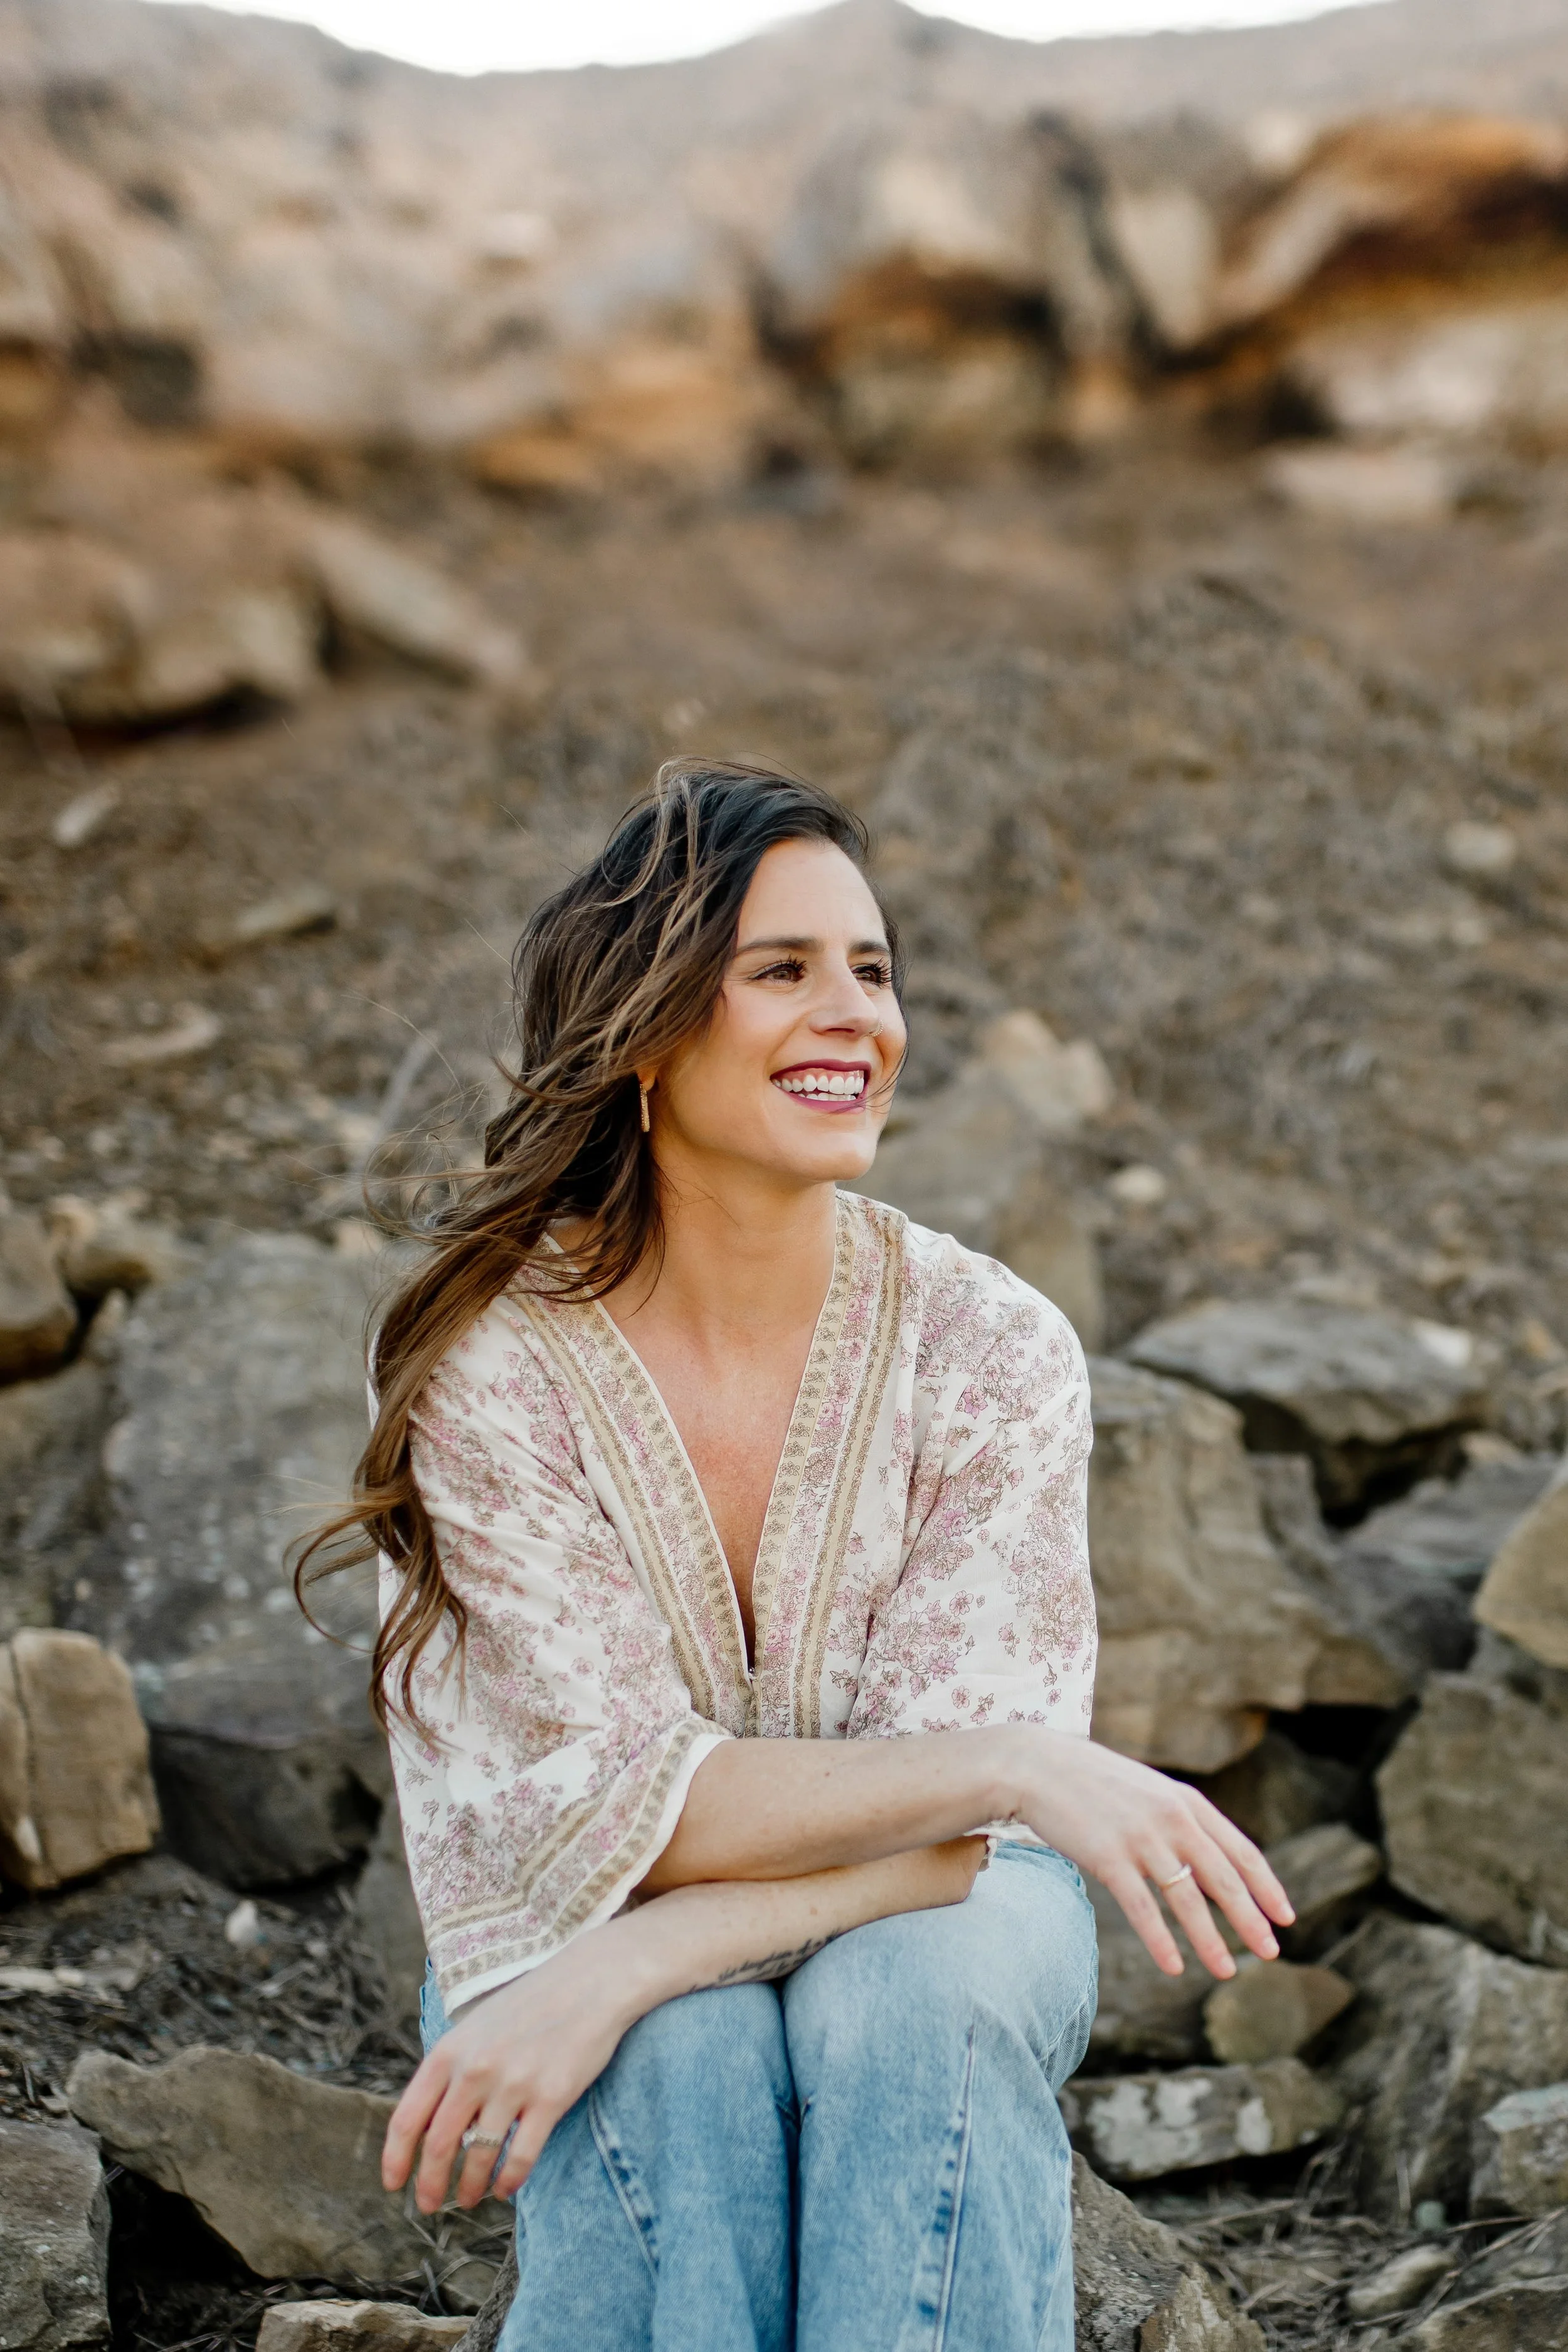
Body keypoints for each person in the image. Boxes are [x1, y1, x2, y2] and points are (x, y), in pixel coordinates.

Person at [299, 761, 1291, 2352]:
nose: (857, 1015)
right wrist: (1014, 1771)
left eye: (873, 969)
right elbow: (612, 1809)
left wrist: (656, 1948)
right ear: (644, 1030)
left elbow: (956, 1853)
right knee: (678, 2058)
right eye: (782, 971)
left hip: (942, 1920)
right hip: (566, 1894)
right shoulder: (489, 1360)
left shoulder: (988, 1346)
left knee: (911, 2004)